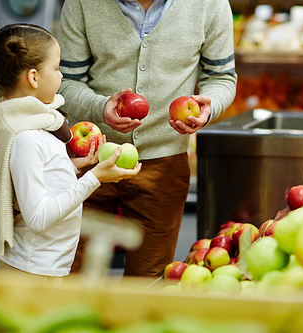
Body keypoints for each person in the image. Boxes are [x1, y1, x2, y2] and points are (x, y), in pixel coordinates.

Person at [57, 0, 238, 278]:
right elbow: (65, 80)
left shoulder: (209, 5)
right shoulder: (83, 3)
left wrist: (208, 107)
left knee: (147, 281)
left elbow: (222, 76)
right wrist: (100, 106)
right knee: (70, 274)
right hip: (88, 160)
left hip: (163, 163)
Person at [0, 23, 141, 283]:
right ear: (34, 77)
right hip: (31, 272)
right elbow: (38, 218)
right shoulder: (25, 136)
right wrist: (95, 178)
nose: (61, 76)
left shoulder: (40, 122)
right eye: (57, 67)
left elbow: (42, 178)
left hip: (46, 267)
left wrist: (75, 165)